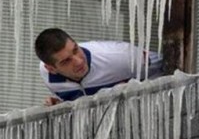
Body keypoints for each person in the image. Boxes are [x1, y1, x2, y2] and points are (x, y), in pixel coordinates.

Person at [35, 28, 164, 106]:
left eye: (75, 50)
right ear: (51, 69)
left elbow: (168, 65)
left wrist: (135, 87)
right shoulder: (47, 75)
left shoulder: (121, 57)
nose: (79, 61)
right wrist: (62, 104)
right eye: (66, 61)